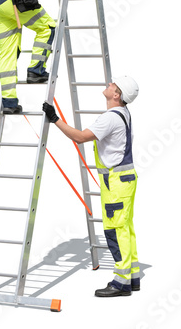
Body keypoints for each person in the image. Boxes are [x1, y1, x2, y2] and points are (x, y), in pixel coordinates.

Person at [43, 76, 140, 297]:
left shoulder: (110, 118)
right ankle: (132, 276)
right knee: (125, 228)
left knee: (115, 229)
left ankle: (121, 282)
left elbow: (79, 137)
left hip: (116, 181)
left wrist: (54, 119)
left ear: (117, 95)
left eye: (113, 85)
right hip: (122, 179)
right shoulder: (123, 114)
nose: (109, 85)